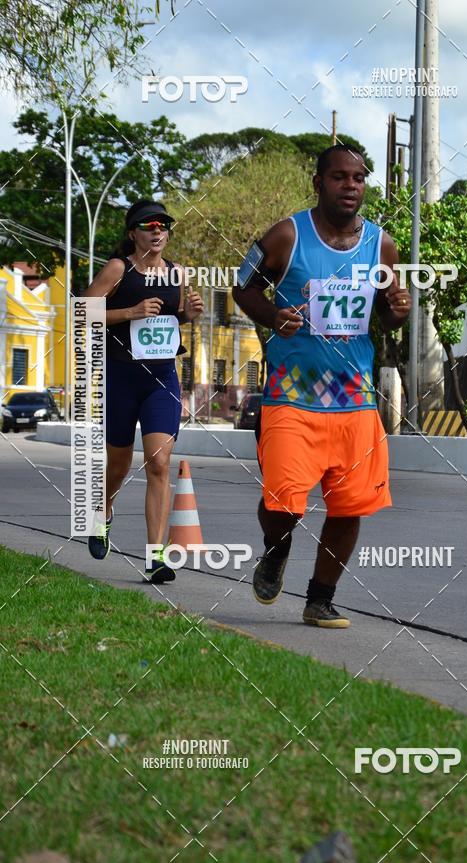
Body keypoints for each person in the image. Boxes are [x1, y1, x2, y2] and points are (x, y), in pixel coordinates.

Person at [232, 144, 411, 628]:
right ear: (318, 183)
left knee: (350, 503)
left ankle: (320, 599)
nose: (350, 186)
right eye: (339, 177)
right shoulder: (287, 235)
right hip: (292, 396)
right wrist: (272, 315)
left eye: (358, 177)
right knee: (282, 500)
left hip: (354, 398)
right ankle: (277, 547)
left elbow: (386, 314)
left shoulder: (382, 245)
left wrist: (396, 312)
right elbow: (242, 284)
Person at [84, 199, 204, 583]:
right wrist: (129, 312)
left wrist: (188, 313)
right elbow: (82, 312)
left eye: (163, 226)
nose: (157, 231)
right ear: (133, 233)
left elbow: (173, 315)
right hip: (121, 378)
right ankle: (102, 511)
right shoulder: (119, 268)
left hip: (162, 380)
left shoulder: (176, 273)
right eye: (148, 226)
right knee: (118, 463)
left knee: (159, 463)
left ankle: (155, 558)